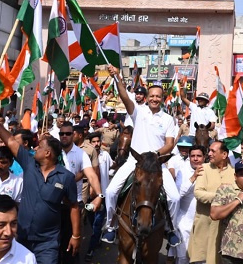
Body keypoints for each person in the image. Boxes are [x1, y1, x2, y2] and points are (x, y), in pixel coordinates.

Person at [102, 65, 180, 247]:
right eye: (152, 96)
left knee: (174, 198)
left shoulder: (168, 119)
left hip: (156, 165)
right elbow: (124, 96)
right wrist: (117, 77)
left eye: (158, 96)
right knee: (111, 191)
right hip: (134, 162)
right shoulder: (138, 111)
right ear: (147, 97)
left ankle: (170, 229)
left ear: (162, 99)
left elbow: (170, 144)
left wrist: (155, 155)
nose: (154, 99)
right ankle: (111, 226)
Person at [0, 114, 79, 264]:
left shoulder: (66, 177)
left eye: (40, 147)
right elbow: (10, 140)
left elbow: (74, 206)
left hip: (47, 244)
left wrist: (76, 236)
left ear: (47, 153)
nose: (35, 148)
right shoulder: (29, 164)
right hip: (21, 237)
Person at [58, 122, 103, 264]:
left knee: (72, 247)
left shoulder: (81, 154)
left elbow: (92, 175)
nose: (64, 136)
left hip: (73, 205)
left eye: (67, 133)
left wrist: (99, 195)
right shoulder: (54, 151)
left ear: (73, 135)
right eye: (61, 133)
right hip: (54, 204)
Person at [188, 141, 234, 264]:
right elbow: (198, 193)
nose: (209, 154)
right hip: (204, 227)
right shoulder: (203, 168)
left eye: (213, 151)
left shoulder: (234, 173)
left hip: (224, 229)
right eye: (209, 151)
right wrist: (221, 196)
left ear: (224, 154)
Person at [172, 145, 205, 264]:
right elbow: (178, 194)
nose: (195, 159)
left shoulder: (209, 170)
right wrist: (193, 177)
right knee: (183, 258)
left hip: (202, 223)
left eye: (199, 156)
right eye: (193, 156)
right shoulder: (183, 171)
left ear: (204, 157)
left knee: (201, 259)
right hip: (184, 223)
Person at [85, 131, 112, 262]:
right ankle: (97, 236)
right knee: (91, 220)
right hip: (89, 196)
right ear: (89, 143)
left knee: (97, 223)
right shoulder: (86, 156)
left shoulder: (105, 155)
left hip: (102, 196)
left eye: (98, 141)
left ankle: (91, 249)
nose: (96, 144)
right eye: (93, 142)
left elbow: (111, 166)